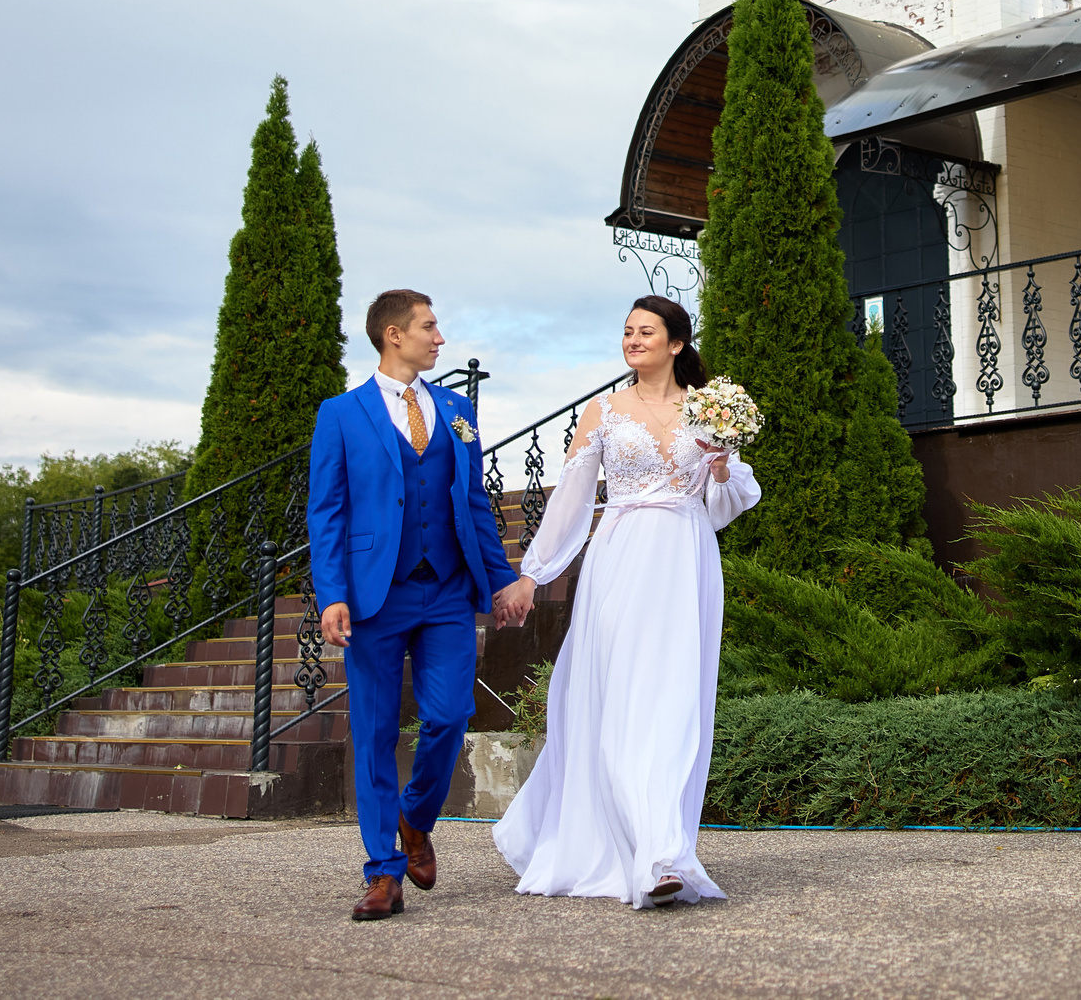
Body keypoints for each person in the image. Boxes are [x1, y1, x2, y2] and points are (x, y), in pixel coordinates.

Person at [493, 294, 760, 909]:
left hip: (686, 561)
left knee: (673, 700)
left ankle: (663, 854)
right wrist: (533, 575)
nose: (632, 340)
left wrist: (720, 468)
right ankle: (632, 847)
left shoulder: (711, 412)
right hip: (619, 560)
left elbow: (722, 509)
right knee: (619, 698)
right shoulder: (603, 413)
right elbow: (571, 502)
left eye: (646, 331)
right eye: (627, 331)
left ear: (676, 344)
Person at [308, 289, 535, 922]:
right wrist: (333, 596)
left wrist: (500, 578)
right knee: (375, 733)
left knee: (449, 715)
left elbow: (473, 504)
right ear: (392, 335)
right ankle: (382, 874)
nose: (440, 339)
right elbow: (325, 513)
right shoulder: (342, 415)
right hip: (376, 595)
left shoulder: (457, 410)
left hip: (447, 591)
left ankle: (415, 819)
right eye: (429, 327)